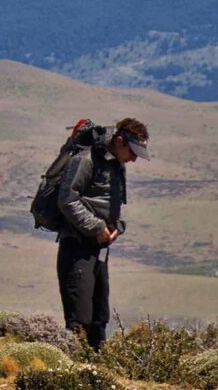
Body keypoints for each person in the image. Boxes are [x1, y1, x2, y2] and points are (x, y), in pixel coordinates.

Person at [55, 117, 150, 349]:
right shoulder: (86, 161)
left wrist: (117, 227)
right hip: (77, 247)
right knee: (79, 318)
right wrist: (97, 228)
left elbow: (108, 205)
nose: (134, 158)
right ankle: (75, 371)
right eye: (132, 151)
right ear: (119, 141)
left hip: (98, 249)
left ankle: (98, 367)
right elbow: (67, 200)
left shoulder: (115, 164)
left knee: (99, 316)